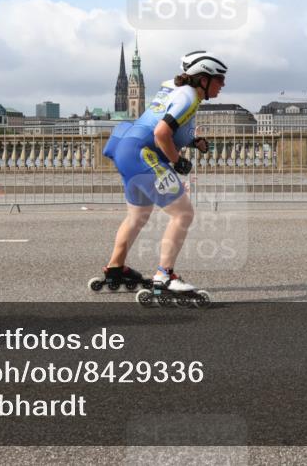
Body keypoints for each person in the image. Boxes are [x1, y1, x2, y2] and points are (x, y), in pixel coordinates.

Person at [91, 51, 227, 307]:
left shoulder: (175, 90)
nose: (223, 84)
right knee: (183, 214)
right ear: (202, 80)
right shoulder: (188, 97)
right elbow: (161, 132)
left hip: (125, 148)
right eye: (219, 78)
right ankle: (164, 276)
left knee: (137, 217)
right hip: (145, 154)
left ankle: (115, 268)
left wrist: (192, 141)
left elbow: (164, 124)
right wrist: (177, 161)